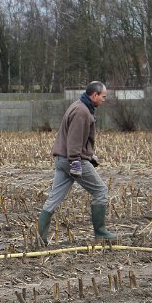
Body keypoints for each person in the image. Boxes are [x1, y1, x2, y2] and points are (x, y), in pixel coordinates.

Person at [36, 80, 116, 244]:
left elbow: (76, 140)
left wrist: (88, 155)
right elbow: (74, 141)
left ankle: (40, 238)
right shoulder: (82, 112)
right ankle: (100, 232)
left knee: (53, 199)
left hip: (62, 159)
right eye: (103, 96)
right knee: (100, 191)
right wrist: (76, 162)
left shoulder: (79, 106)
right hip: (71, 160)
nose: (104, 99)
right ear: (94, 95)